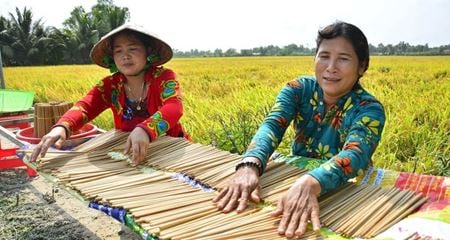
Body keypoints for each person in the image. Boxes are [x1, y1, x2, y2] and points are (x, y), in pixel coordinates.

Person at [213, 21, 385, 238]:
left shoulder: (369, 109)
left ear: (362, 66)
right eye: (324, 56)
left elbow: (355, 153)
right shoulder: (298, 90)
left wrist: (311, 183)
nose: (331, 67)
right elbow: (272, 124)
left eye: (343, 58)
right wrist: (249, 165)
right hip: (294, 180)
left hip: (346, 194)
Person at [30, 23, 190, 164]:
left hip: (170, 151)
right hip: (132, 156)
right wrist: (62, 127)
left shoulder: (164, 77)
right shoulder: (110, 85)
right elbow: (85, 107)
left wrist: (145, 130)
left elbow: (174, 107)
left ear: (147, 51)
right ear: (112, 57)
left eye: (133, 49)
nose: (125, 56)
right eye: (118, 51)